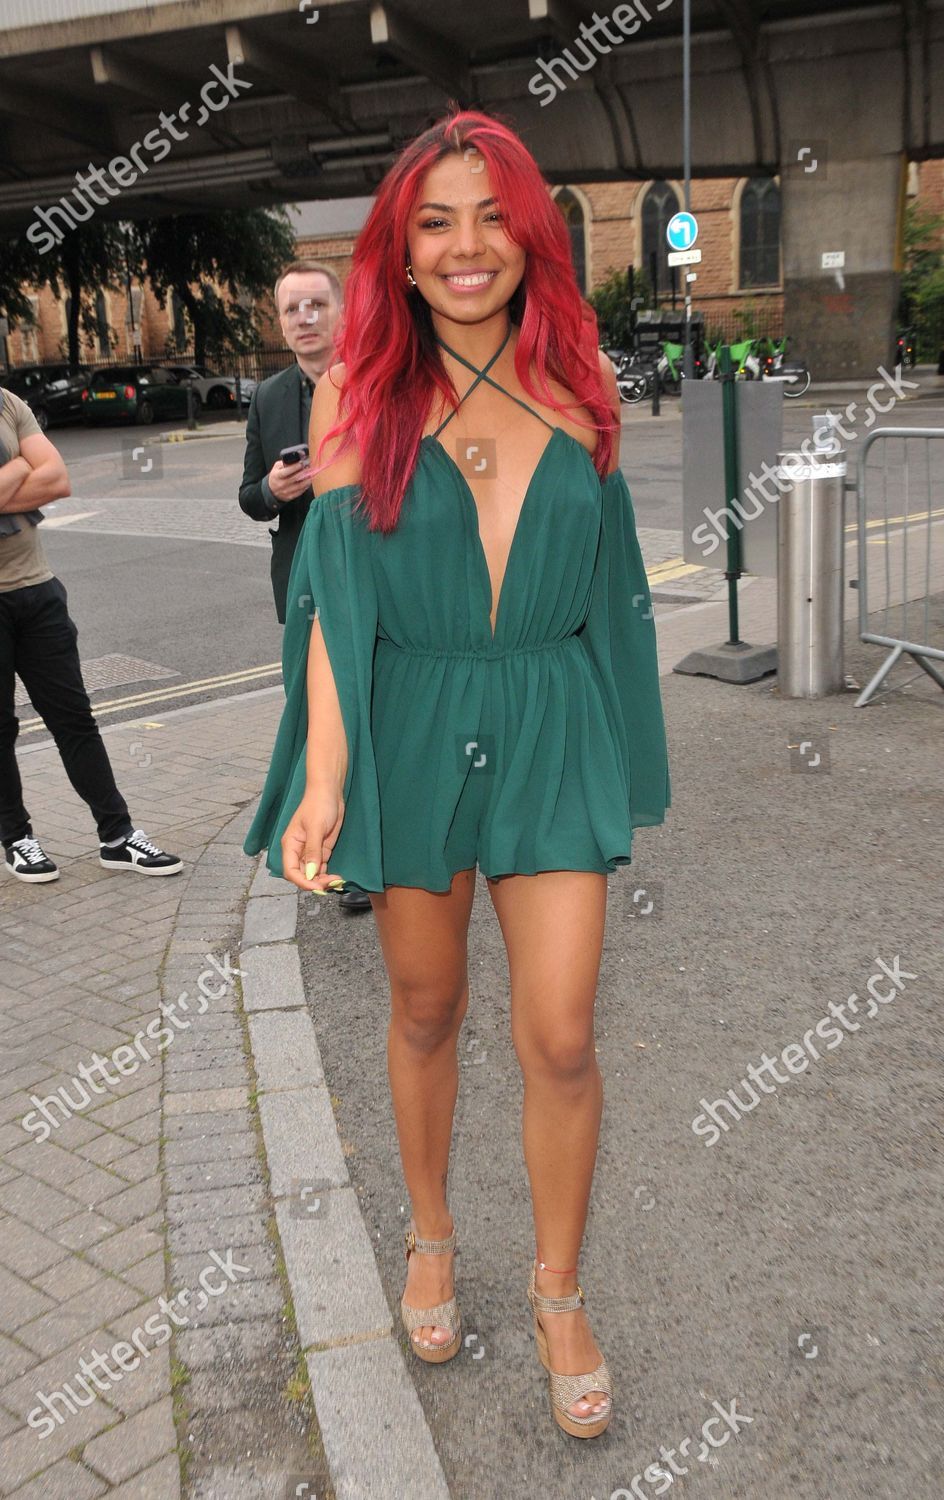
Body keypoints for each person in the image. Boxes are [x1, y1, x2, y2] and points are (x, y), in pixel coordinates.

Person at [244, 107, 670, 1439]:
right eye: (435, 222)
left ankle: (558, 1291)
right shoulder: (354, 395)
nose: (466, 244)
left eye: (493, 217)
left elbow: (609, 591)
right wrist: (325, 780)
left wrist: (617, 742)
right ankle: (430, 1234)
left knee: (562, 1032)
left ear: (532, 235)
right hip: (413, 719)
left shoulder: (582, 386)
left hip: (548, 716)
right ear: (401, 251)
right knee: (426, 1008)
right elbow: (336, 606)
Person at [0, 387, 181, 883]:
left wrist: (17, 474)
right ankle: (17, 837)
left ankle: (118, 837)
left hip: (37, 589)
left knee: (75, 719)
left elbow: (57, 478)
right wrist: (21, 465)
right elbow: (38, 470)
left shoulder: (7, 403)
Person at [239, 258, 370, 913]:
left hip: (373, 581)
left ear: (342, 313)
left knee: (372, 718)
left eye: (316, 304)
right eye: (292, 309)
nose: (304, 318)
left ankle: (380, 851)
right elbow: (247, 496)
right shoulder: (267, 397)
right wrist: (273, 488)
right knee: (317, 721)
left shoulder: (376, 381)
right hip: (302, 584)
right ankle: (338, 859)